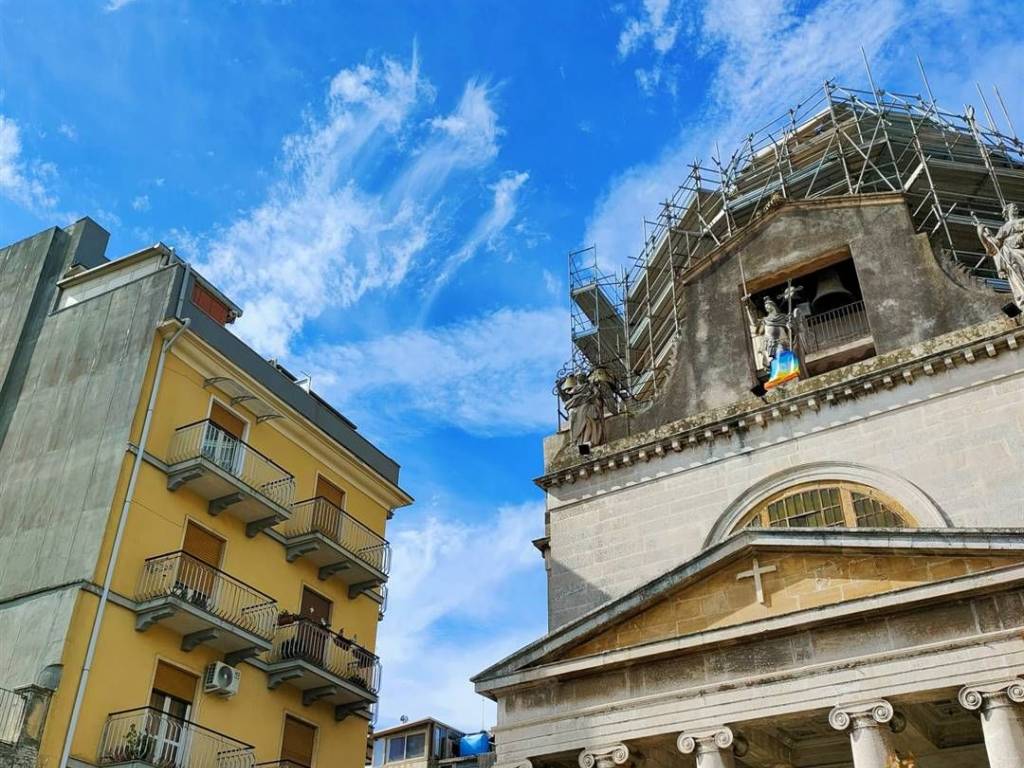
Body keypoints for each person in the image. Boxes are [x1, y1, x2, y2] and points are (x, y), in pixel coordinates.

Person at [974, 202, 1024, 312]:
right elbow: (996, 244)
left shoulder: (1022, 221)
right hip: (1011, 254)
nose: (1016, 210)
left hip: (1021, 250)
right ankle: (1022, 297)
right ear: (1007, 212)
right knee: (1016, 273)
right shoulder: (1004, 228)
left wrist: (1021, 236)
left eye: (1016, 208)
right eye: (1013, 208)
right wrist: (983, 234)